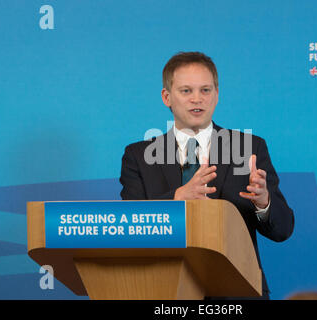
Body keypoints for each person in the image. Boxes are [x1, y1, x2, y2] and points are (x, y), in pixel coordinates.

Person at [119, 51, 294, 299]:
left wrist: (263, 202)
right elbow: (130, 229)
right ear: (166, 97)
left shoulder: (249, 149)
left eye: (205, 90)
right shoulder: (138, 156)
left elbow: (283, 230)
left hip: (237, 294)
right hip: (164, 293)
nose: (197, 99)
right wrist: (178, 198)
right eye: (186, 91)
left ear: (217, 94)